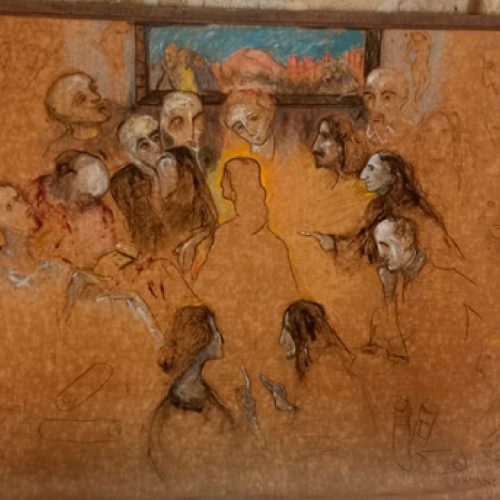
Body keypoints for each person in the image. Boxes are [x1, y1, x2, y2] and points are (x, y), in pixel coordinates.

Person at [195, 157, 298, 436]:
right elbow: (289, 297)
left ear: (233, 188)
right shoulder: (274, 243)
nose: (220, 185)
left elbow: (203, 290)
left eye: (225, 179)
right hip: (265, 336)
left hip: (237, 335)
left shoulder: (227, 235)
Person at [111, 114, 217, 277]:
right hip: (159, 264)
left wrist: (197, 240)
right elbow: (141, 240)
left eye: (155, 138)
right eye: (144, 146)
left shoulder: (184, 159)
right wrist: (155, 179)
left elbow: (211, 218)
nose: (156, 147)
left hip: (198, 250)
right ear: (133, 156)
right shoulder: (124, 183)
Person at [148, 306, 235, 494]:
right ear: (200, 340)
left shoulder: (202, 394)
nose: (221, 338)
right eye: (215, 331)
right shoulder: (173, 417)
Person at [25, 150, 117, 270]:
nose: (87, 201)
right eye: (84, 195)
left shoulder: (99, 215)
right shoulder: (36, 193)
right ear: (68, 176)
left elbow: (103, 250)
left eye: (91, 198)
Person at [44, 72, 127, 172]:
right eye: (81, 99)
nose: (96, 97)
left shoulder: (120, 122)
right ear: (66, 117)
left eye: (93, 89)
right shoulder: (57, 152)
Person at [362, 67, 413, 149]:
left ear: (402, 102)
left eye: (387, 98)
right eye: (370, 97)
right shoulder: (361, 135)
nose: (376, 107)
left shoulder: (412, 135)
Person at [311, 113, 369, 182]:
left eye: (325, 137)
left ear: (342, 145)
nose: (314, 147)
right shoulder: (322, 182)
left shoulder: (357, 186)